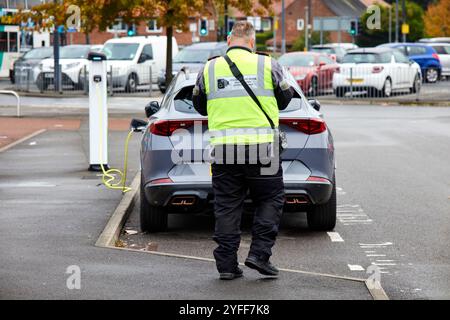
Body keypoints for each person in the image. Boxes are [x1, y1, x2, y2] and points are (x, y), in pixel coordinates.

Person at [192, 21, 294, 280]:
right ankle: (259, 254)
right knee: (270, 198)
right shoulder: (268, 64)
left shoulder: (209, 68)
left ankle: (226, 265)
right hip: (263, 149)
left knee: (227, 206)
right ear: (252, 42)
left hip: (224, 150)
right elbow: (286, 98)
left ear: (228, 40)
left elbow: (199, 105)